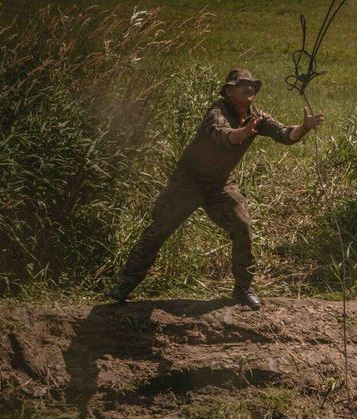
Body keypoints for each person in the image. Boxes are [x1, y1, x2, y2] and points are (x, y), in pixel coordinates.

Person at [107, 68, 324, 310]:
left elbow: (285, 134)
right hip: (187, 182)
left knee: (242, 227)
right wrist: (244, 131)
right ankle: (125, 285)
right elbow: (223, 135)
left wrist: (304, 128)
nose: (250, 88)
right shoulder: (217, 111)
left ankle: (242, 289)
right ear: (229, 90)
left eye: (253, 85)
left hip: (220, 184)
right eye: (243, 84)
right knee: (157, 232)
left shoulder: (257, 117)